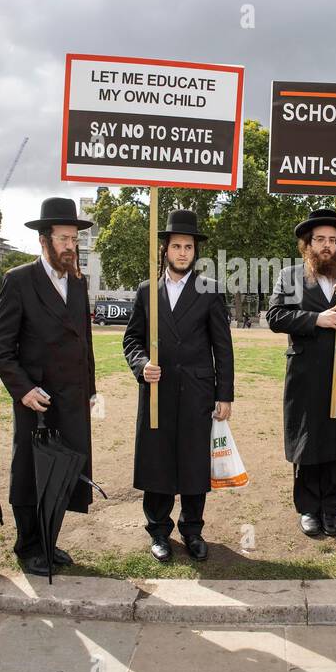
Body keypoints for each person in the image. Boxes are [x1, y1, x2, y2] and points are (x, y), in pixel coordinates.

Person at [0, 197, 97, 577]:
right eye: (64, 238)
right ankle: (28, 545)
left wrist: (91, 387)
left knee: (64, 470)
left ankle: (49, 541)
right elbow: (0, 345)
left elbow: (84, 339)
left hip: (72, 396)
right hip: (36, 398)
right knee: (32, 472)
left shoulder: (79, 283)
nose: (71, 246)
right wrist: (23, 389)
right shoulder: (19, 280)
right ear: (44, 240)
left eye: (74, 239)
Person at [123, 210, 233, 562]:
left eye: (188, 246)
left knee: (192, 463)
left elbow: (223, 347)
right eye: (176, 246)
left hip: (198, 393)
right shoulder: (146, 292)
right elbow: (132, 340)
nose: (183, 252)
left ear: (194, 251)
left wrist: (224, 394)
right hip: (157, 392)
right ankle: (158, 531)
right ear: (165, 250)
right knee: (157, 463)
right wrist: (142, 366)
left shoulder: (210, 290)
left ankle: (193, 530)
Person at [266, 207, 336, 537]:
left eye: (333, 240)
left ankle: (332, 508)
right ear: (307, 244)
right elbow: (275, 317)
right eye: (320, 240)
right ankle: (309, 508)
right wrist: (316, 319)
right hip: (306, 375)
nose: (327, 245)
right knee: (309, 441)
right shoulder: (292, 276)